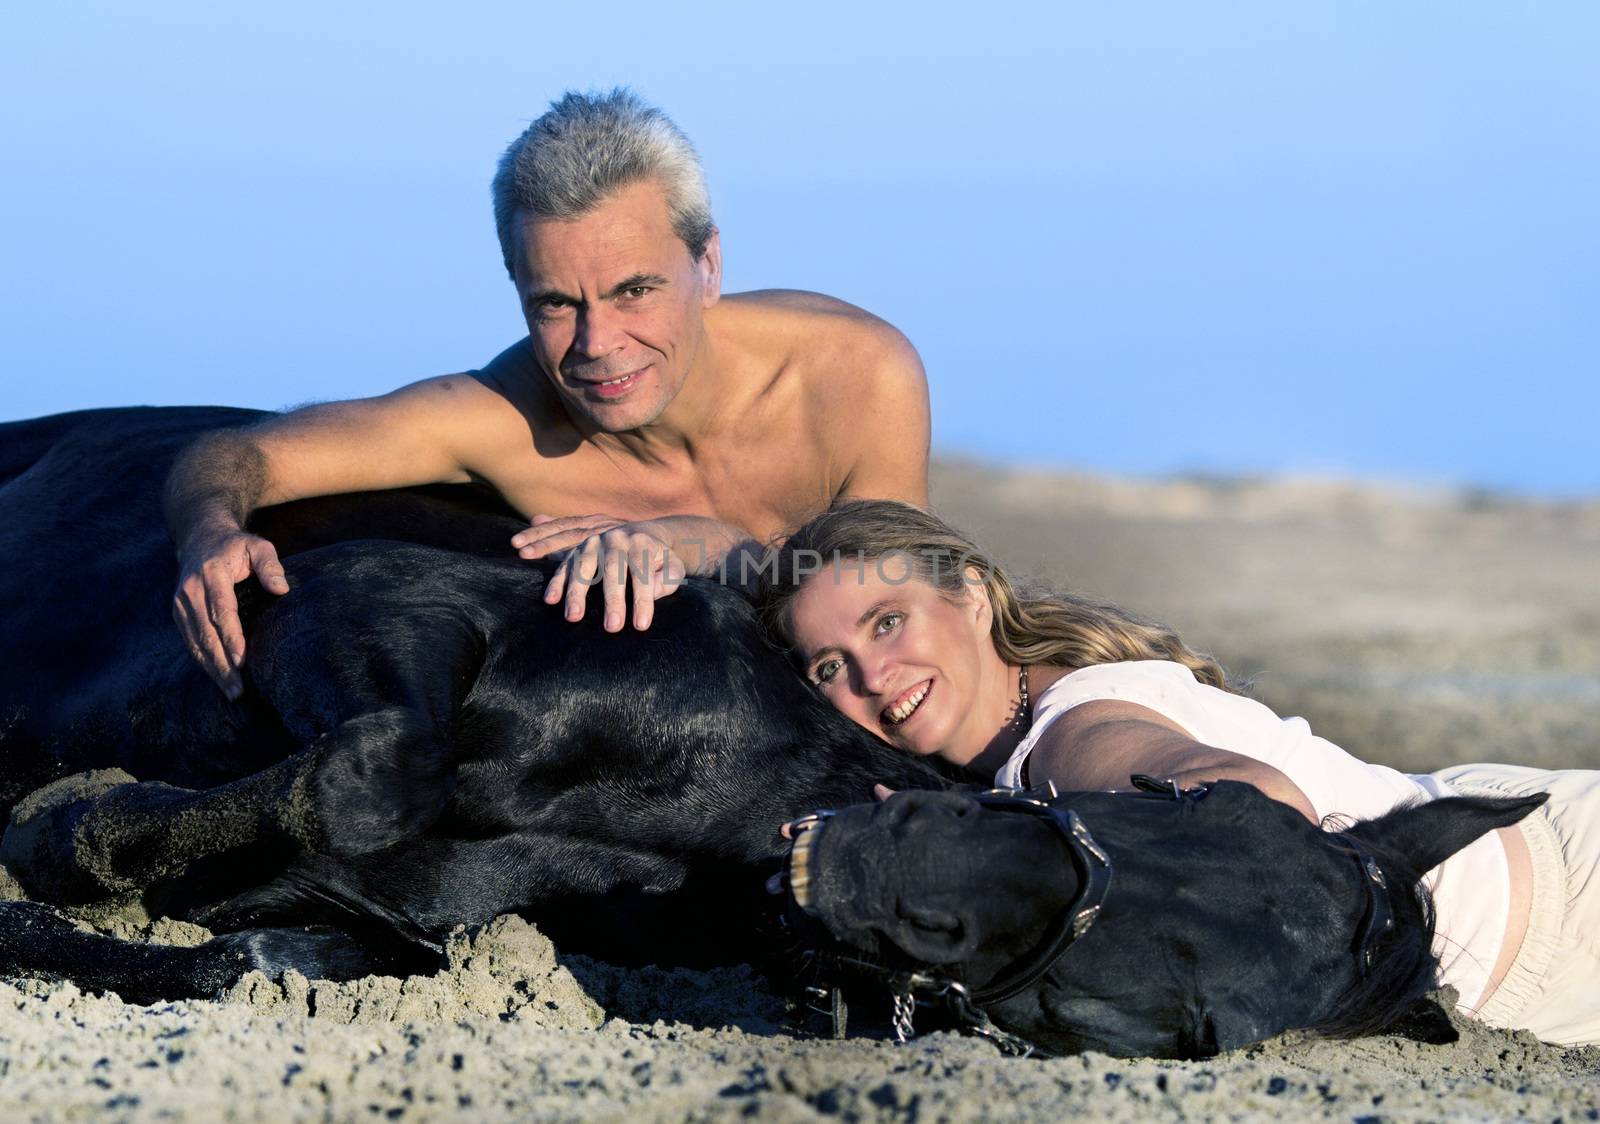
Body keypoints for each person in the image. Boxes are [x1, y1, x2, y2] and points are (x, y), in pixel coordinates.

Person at [166, 89, 929, 699]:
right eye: (556, 304)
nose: (597, 343)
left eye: (635, 290)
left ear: (709, 265)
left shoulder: (853, 373)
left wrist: (704, 545)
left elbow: (897, 598)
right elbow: (238, 452)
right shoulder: (501, 418)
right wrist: (209, 531)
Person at [755, 498, 1600, 1047]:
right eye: (830, 667)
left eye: (888, 621)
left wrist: (972, 846)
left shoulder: (1073, 732)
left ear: (973, 596)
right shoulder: (1019, 752)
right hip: (1495, 844)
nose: (872, 675)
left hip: (1556, 914)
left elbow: (1261, 809)